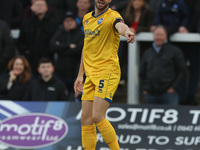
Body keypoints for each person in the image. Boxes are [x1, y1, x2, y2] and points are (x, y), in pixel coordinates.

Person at [74, 0, 135, 149]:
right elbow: (86, 47)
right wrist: (80, 75)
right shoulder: (87, 18)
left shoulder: (113, 16)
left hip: (107, 71)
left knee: (97, 116)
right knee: (86, 119)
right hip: (90, 74)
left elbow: (120, 25)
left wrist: (126, 31)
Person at [139, 25, 186, 105]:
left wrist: (173, 87)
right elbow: (141, 73)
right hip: (150, 94)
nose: (159, 37)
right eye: (157, 35)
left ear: (166, 37)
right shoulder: (147, 53)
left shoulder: (174, 51)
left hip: (169, 94)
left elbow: (182, 71)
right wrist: (145, 88)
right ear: (153, 36)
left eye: (161, 35)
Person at [50, 11, 84, 101]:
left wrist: (61, 48)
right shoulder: (59, 32)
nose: (69, 22)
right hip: (60, 74)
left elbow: (80, 49)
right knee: (60, 97)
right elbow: (52, 46)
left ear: (75, 21)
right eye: (66, 21)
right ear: (63, 23)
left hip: (75, 73)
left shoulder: (80, 33)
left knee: (75, 97)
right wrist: (69, 46)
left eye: (71, 20)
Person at [18, 0, 58, 75]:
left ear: (46, 8)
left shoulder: (54, 23)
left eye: (42, 5)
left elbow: (55, 41)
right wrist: (26, 51)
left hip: (48, 58)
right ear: (32, 8)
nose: (39, 7)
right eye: (37, 5)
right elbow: (21, 42)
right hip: (30, 58)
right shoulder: (26, 23)